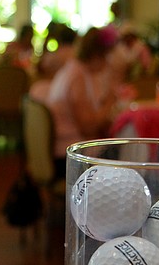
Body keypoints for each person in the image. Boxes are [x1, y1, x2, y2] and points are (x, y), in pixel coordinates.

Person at [46, 26, 119, 177]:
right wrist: (111, 100)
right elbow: (89, 127)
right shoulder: (77, 78)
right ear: (98, 56)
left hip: (61, 147)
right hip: (71, 154)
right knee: (125, 150)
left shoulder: (71, 70)